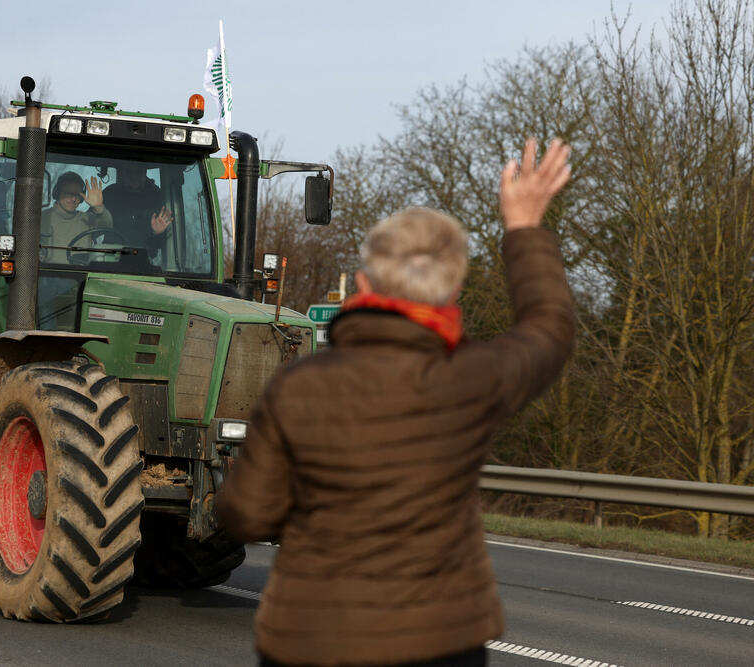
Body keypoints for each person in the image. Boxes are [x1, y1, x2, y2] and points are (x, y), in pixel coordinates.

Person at [215, 137, 575, 667]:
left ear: (363, 283)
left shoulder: (300, 387)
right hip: (438, 643)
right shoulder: (472, 379)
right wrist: (523, 227)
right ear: (451, 293)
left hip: (310, 640)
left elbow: (246, 514)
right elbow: (550, 329)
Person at [40, 171, 113, 264]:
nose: (73, 199)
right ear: (57, 193)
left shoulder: (87, 219)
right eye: (68, 193)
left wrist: (99, 208)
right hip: (48, 275)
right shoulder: (41, 218)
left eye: (77, 195)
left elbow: (107, 225)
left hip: (80, 275)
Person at [102, 162, 173, 256]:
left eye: (138, 172)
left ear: (145, 173)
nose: (134, 176)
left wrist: (157, 233)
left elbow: (166, 242)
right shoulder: (110, 194)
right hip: (109, 258)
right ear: (123, 173)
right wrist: (97, 208)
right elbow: (89, 224)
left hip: (144, 262)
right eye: (129, 172)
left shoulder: (156, 197)